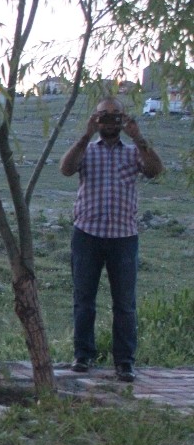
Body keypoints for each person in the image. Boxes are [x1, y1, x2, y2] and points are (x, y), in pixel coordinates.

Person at [59, 97, 164, 382]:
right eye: (103, 115)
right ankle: (83, 357)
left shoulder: (133, 153)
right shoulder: (87, 150)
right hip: (87, 235)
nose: (109, 120)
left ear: (123, 119)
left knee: (125, 304)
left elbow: (155, 170)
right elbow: (66, 169)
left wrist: (139, 137)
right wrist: (85, 135)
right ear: (95, 118)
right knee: (84, 300)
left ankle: (124, 363)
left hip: (123, 237)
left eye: (115, 115)